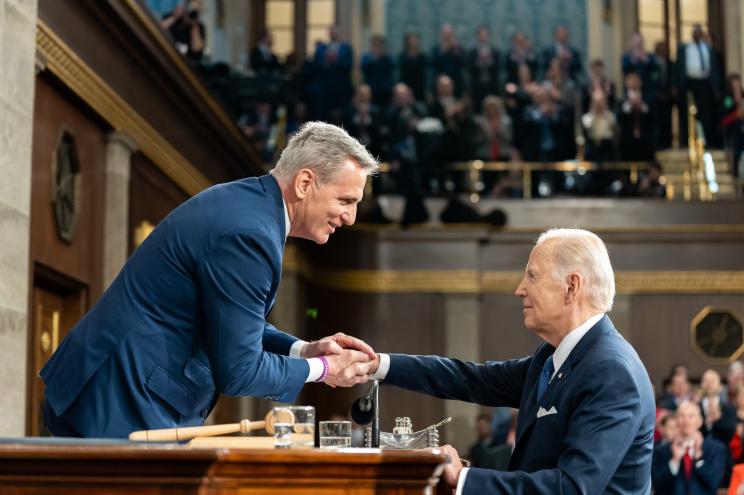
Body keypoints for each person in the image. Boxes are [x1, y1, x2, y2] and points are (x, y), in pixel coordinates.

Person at [41, 122, 379, 438]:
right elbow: (240, 370)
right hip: (117, 402)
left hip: (115, 391)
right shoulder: (251, 234)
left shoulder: (250, 208)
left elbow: (230, 315)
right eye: (345, 201)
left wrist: (301, 349)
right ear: (305, 183)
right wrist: (322, 369)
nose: (349, 218)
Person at [365, 228, 656, 493]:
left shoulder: (612, 372)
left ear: (571, 287)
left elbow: (572, 487)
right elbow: (472, 379)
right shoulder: (552, 355)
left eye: (532, 276)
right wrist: (377, 365)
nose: (520, 289)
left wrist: (463, 479)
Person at [652, 400, 727, 495]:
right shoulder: (660, 450)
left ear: (700, 421)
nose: (686, 421)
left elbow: (713, 483)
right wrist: (674, 461)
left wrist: (698, 457)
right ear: (676, 421)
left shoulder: (716, 449)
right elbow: (657, 485)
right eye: (681, 416)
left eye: (691, 416)